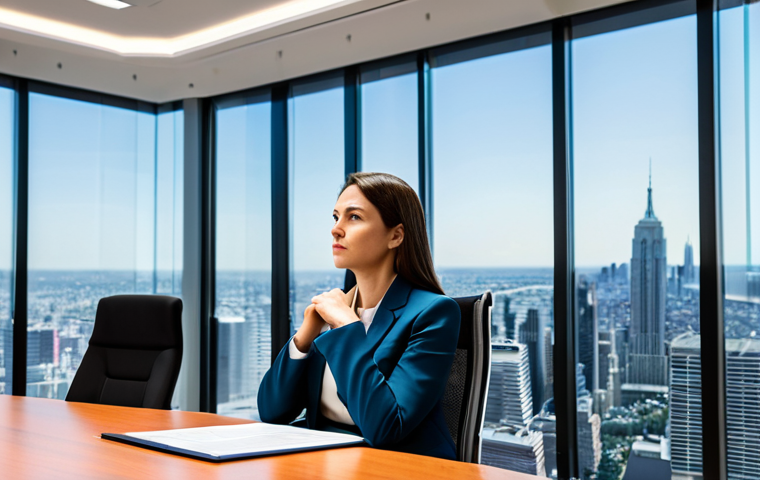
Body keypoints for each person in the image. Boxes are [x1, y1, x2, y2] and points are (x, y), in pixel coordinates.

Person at [258, 172, 461, 460]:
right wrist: (305, 337)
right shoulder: (336, 307)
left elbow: (386, 427)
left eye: (353, 217)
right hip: (323, 463)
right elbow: (272, 412)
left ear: (396, 235)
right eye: (335, 217)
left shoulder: (434, 313)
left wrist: (346, 326)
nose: (336, 230)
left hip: (397, 467)